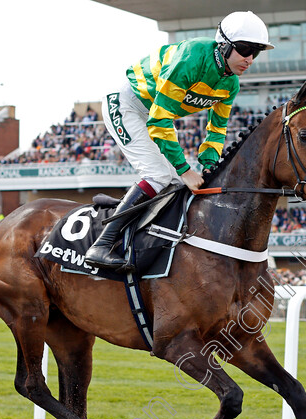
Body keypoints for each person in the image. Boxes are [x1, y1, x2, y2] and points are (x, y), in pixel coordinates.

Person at [85, 11, 274, 272]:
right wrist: (185, 170)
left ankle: (139, 234)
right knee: (159, 176)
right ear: (224, 44)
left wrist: (209, 165)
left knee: (172, 183)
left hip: (153, 111)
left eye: (256, 52)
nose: (250, 58)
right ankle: (101, 245)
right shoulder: (192, 57)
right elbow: (160, 120)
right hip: (127, 105)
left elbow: (217, 130)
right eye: (245, 49)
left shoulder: (231, 84)